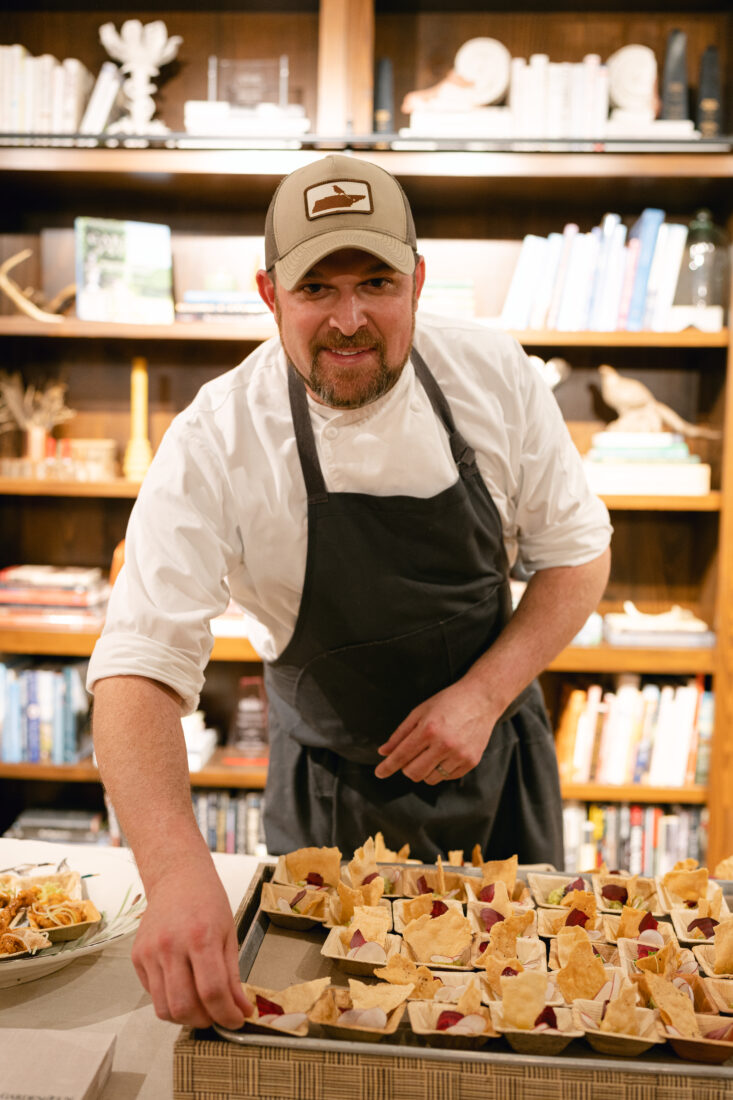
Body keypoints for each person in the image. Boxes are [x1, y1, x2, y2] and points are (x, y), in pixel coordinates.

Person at [88, 154, 612, 1029]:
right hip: (330, 795)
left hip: (500, 768)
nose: (349, 319)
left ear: (416, 280)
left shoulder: (495, 375)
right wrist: (177, 875)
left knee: (523, 1034)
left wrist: (484, 694)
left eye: (375, 281)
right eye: (316, 289)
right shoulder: (216, 439)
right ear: (268, 293)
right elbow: (137, 666)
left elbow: (578, 555)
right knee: (338, 1043)